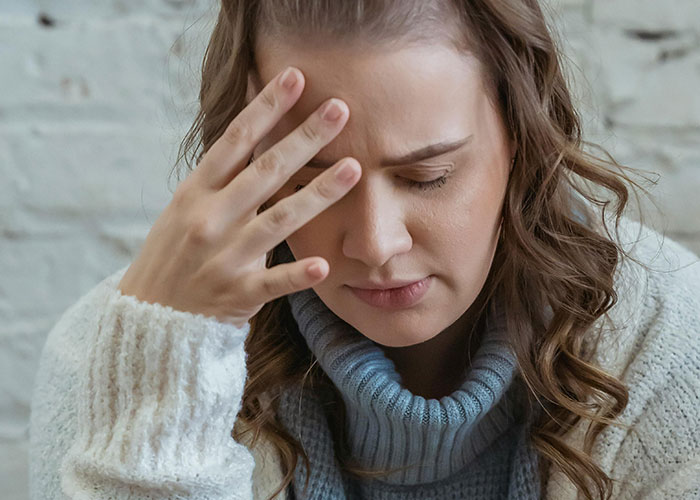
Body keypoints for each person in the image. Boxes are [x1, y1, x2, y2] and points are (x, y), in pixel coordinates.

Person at [28, 0, 700, 499]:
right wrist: (166, 384)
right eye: (311, 182)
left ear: (520, 139)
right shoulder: (104, 357)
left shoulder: (664, 337)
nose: (376, 244)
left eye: (427, 176)